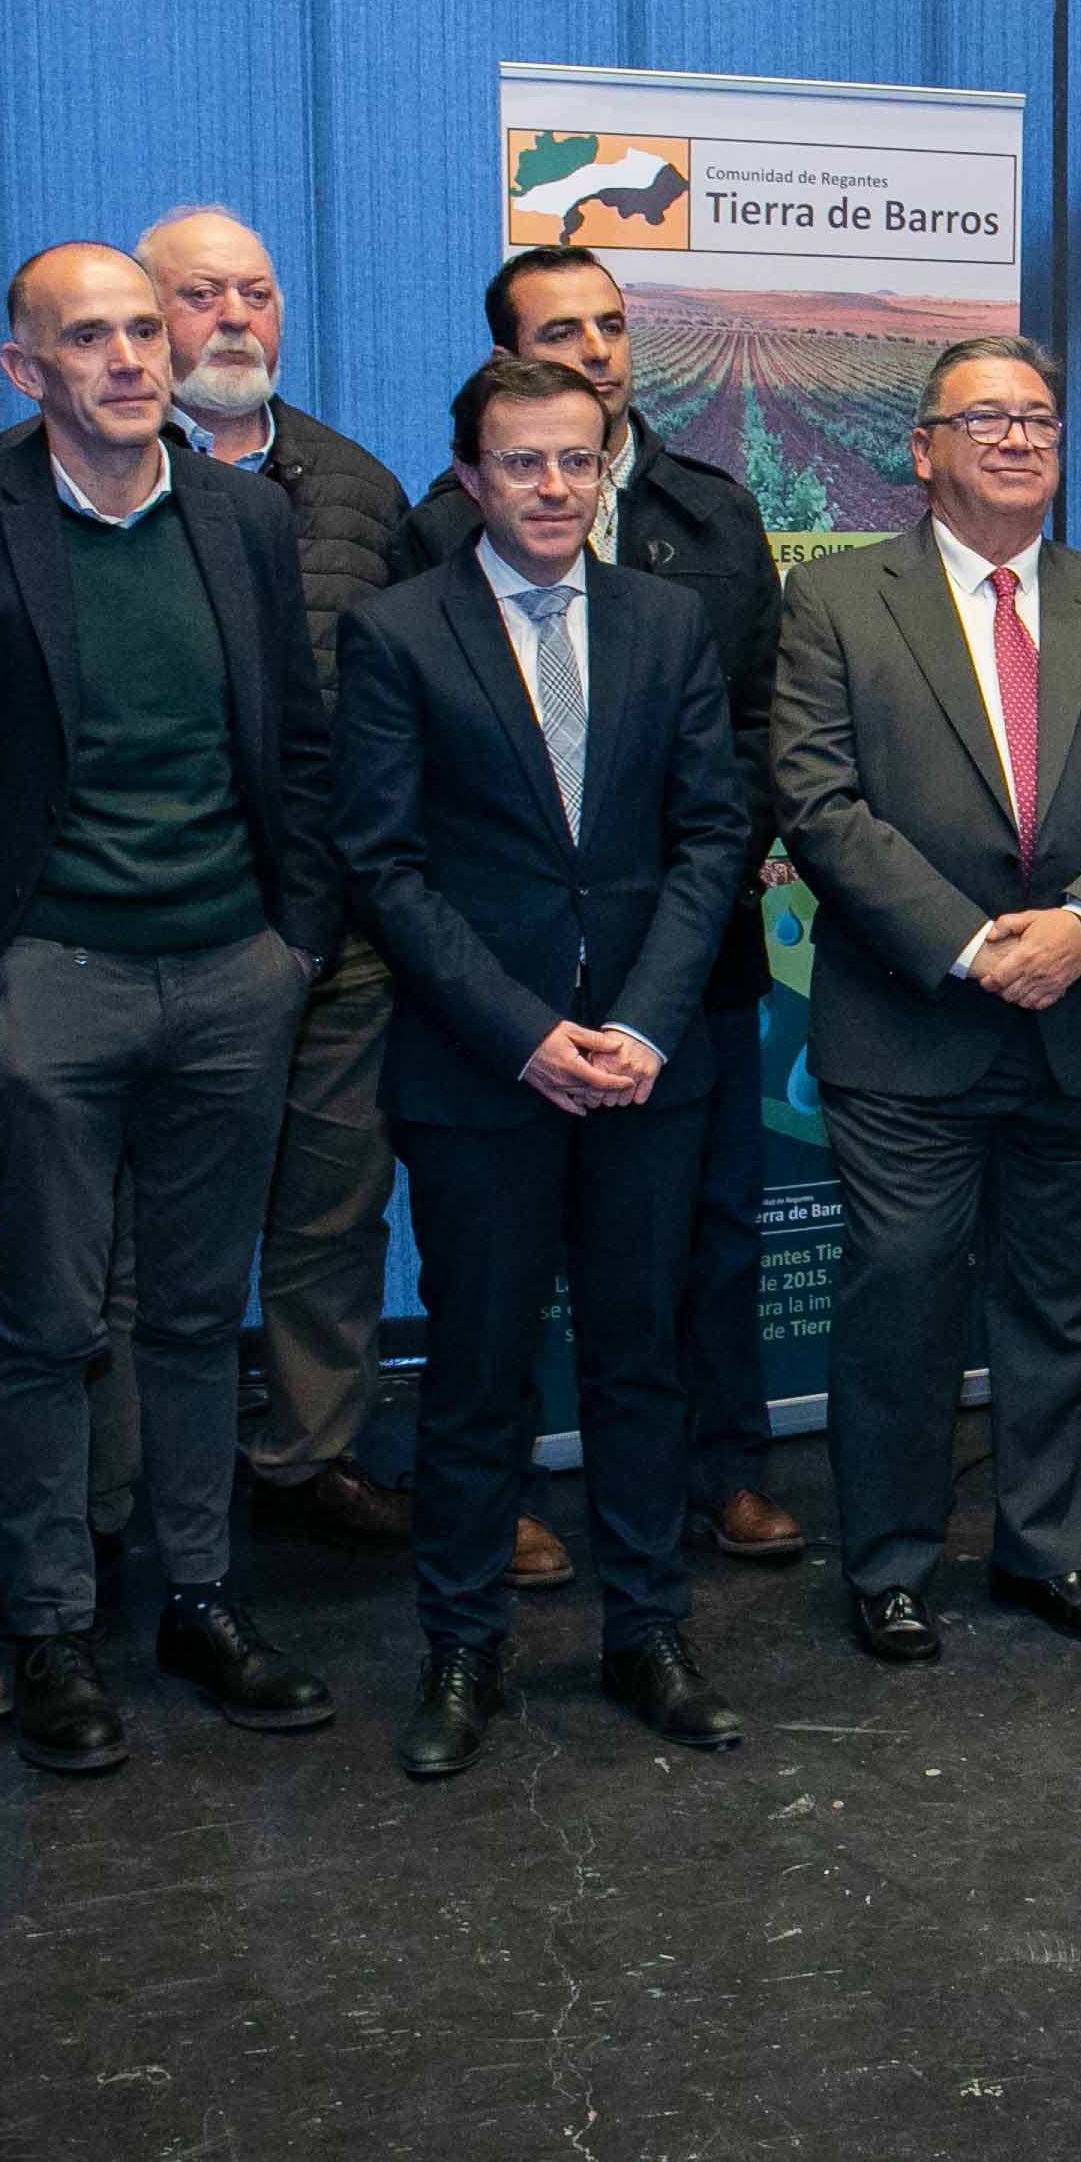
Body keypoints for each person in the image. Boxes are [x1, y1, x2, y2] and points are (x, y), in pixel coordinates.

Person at [0, 242, 339, 1775]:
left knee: (201, 1317)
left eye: (148, 328)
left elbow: (298, 746)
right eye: (92, 337)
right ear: (26, 370)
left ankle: (200, 1599)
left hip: (229, 978)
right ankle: (52, 1620)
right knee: (54, 1324)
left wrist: (295, 947)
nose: (135, 357)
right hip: (47, 983)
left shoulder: (246, 517)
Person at [331, 357, 753, 1775]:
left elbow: (713, 839)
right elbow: (383, 868)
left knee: (640, 1363)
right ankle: (462, 1649)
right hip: (479, 1074)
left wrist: (637, 1023)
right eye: (523, 464)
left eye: (578, 461)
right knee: (477, 1372)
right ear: (469, 478)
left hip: (649, 1062)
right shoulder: (396, 635)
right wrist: (523, 1034)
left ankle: (647, 1632)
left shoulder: (668, 622)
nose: (555, 488)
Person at [768, 337, 1081, 1663]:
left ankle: (1045, 1551)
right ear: (922, 450)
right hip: (909, 1028)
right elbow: (816, 801)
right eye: (986, 420)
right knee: (901, 1294)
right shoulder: (837, 605)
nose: (1017, 442)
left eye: (1039, 422)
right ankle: (892, 1564)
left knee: (1060, 1307)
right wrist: (971, 947)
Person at [410, 247, 802, 1571]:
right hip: (503, 998)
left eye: (613, 325)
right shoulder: (435, 547)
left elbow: (754, 724)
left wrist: (686, 915)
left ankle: (723, 1473)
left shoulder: (712, 515)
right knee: (494, 1292)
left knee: (713, 1237)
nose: (595, 350)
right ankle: (507, 1505)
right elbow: (409, 813)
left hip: (685, 966)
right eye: (558, 330)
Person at [119, 207, 435, 1562]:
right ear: (146, 318)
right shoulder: (80, 484)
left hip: (344, 937)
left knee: (329, 1215)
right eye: (199, 296)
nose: (233, 318)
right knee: (142, 1241)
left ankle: (307, 1457)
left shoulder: (360, 492)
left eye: (256, 292)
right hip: (160, 935)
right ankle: (128, 1487)